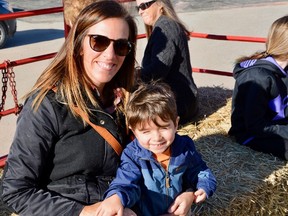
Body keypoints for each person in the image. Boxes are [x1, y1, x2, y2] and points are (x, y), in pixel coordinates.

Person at [0, 1, 138, 215]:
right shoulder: (47, 106)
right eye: (99, 42)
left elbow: (156, 155)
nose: (110, 55)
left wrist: (185, 190)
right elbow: (15, 191)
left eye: (120, 46)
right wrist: (84, 212)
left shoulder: (127, 98)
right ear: (79, 45)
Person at [95, 81, 217, 216]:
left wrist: (203, 187)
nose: (157, 138)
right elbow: (125, 182)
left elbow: (200, 171)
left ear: (176, 124)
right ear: (133, 130)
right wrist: (116, 197)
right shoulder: (133, 154)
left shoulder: (184, 147)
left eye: (164, 128)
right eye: (146, 132)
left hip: (176, 211)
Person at [228, 15, 288, 161]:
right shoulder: (257, 77)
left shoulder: (284, 68)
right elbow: (255, 126)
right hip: (253, 134)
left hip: (278, 124)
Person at [135, 0, 198, 126]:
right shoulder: (165, 25)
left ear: (160, 4)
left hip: (178, 104)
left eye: (144, 6)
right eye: (138, 8)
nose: (141, 11)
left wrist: (132, 76)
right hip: (183, 100)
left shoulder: (165, 28)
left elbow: (158, 70)